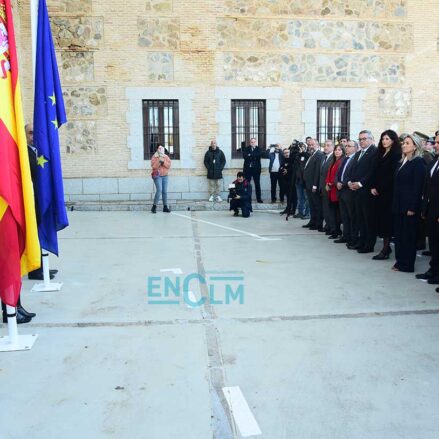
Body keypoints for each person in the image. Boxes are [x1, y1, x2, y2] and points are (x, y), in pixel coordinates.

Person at [392, 134, 426, 272]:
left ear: (415, 146)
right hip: (399, 204)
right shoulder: (403, 161)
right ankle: (400, 261)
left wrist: (412, 207)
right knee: (399, 235)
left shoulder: (418, 162)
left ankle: (407, 264)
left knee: (408, 236)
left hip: (409, 206)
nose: (403, 145)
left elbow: (417, 187)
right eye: (403, 143)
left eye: (407, 143)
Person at [370, 130, 402, 260]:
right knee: (380, 220)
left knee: (387, 221)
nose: (384, 141)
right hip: (377, 193)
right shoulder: (380, 153)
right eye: (383, 139)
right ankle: (385, 246)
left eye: (387, 139)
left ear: (393, 140)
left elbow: (391, 176)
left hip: (388, 193)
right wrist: (373, 186)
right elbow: (374, 171)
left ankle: (385, 248)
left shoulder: (396, 155)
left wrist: (379, 188)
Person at [348, 130, 378, 253]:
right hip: (355, 191)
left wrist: (360, 184)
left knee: (367, 219)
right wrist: (350, 182)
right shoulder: (359, 153)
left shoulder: (375, 152)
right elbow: (352, 169)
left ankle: (369, 244)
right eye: (360, 139)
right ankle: (361, 241)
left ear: (371, 139)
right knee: (359, 218)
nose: (362, 141)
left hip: (366, 191)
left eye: (364, 139)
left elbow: (372, 171)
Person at [416, 133, 439, 284]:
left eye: (438, 143)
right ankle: (434, 270)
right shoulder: (434, 161)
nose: (435, 145)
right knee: (434, 242)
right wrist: (424, 209)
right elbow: (427, 186)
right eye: (436, 142)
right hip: (431, 209)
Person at [335, 140, 358, 244]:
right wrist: (337, 182)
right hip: (341, 191)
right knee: (344, 216)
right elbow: (338, 173)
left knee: (351, 216)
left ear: (355, 148)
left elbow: (352, 175)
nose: (346, 148)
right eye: (346, 146)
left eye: (349, 146)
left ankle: (353, 238)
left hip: (348, 191)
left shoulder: (355, 159)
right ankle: (345, 235)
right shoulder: (344, 159)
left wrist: (343, 183)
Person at [303, 139, 324, 230]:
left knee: (317, 205)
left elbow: (317, 172)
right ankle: (312, 221)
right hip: (308, 184)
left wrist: (315, 185)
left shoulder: (319, 155)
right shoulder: (311, 155)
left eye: (312, 145)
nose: (311, 146)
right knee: (311, 205)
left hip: (313, 185)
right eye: (309, 145)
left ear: (317, 145)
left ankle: (318, 224)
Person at [325, 144, 345, 238]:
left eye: (340, 150)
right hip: (330, 190)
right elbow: (329, 174)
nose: (337, 151)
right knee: (332, 211)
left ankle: (336, 231)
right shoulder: (333, 161)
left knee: (337, 213)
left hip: (336, 190)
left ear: (343, 151)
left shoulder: (341, 161)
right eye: (336, 150)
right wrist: (327, 183)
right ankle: (334, 229)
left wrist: (331, 183)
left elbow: (337, 176)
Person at [151, 144, 171, 214]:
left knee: (164, 191)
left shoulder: (166, 156)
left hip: (165, 175)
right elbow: (153, 166)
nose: (160, 150)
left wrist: (164, 162)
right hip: (157, 176)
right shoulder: (154, 156)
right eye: (159, 148)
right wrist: (159, 161)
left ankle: (165, 207)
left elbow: (168, 165)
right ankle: (154, 206)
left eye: (161, 148)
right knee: (159, 190)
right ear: (157, 149)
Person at [319, 140, 335, 234]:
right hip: (322, 187)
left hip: (329, 188)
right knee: (325, 208)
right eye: (324, 145)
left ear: (333, 147)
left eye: (328, 145)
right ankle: (328, 225)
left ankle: (332, 227)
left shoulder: (333, 158)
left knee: (330, 209)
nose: (325, 147)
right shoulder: (323, 157)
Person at [242, 138, 263, 203]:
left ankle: (258, 199)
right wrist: (253, 156)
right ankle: (248, 198)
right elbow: (245, 156)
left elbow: (259, 155)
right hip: (248, 169)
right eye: (251, 142)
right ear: (250, 143)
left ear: (255, 142)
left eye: (254, 142)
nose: (252, 143)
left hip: (256, 170)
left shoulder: (258, 149)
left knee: (257, 184)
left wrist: (250, 155)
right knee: (247, 184)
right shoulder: (247, 148)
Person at [279, 148, 297, 219]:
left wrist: (288, 171)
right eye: (285, 153)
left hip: (292, 181)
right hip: (285, 182)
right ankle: (288, 208)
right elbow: (280, 169)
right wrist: (283, 170)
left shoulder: (293, 160)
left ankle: (293, 210)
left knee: (294, 197)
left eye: (287, 152)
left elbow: (294, 169)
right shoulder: (283, 160)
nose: (286, 154)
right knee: (288, 196)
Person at [294, 142, 310, 219]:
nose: (301, 148)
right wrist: (299, 153)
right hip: (298, 180)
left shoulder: (308, 154)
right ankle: (300, 212)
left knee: (307, 198)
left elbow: (307, 156)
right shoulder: (298, 155)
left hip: (306, 180)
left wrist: (303, 152)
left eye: (303, 146)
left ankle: (307, 213)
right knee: (300, 198)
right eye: (300, 147)